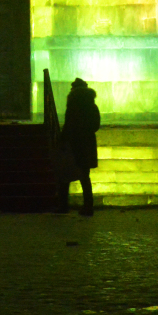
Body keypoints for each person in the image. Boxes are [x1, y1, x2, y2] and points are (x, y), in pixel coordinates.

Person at [57, 78, 101, 216]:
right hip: (87, 144)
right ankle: (88, 206)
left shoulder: (73, 105)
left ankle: (63, 205)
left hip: (73, 144)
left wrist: (62, 140)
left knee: (65, 175)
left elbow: (68, 125)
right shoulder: (92, 106)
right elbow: (95, 125)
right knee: (84, 177)